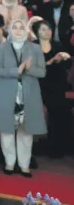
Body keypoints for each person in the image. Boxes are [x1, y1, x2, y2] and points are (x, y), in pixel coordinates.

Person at [0, 19, 47, 177]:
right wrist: (17, 70)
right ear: (9, 30)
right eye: (14, 27)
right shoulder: (0, 47)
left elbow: (42, 72)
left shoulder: (35, 48)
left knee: (26, 129)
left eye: (21, 27)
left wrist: (29, 69)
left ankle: (24, 164)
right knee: (7, 128)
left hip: (29, 93)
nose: (17, 30)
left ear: (26, 30)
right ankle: (9, 162)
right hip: (6, 91)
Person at [33, 20, 72, 158]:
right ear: (37, 32)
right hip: (38, 85)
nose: (47, 32)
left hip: (57, 84)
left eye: (48, 29)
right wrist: (51, 61)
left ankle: (56, 146)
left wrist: (65, 58)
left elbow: (65, 64)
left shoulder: (57, 45)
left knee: (59, 112)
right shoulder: (33, 46)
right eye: (43, 29)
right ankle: (36, 146)